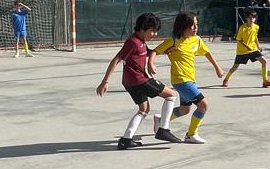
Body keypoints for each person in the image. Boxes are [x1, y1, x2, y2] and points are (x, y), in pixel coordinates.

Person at [96, 12, 181, 148]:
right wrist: (105, 81)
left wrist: (165, 52)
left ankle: (126, 140)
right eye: (152, 31)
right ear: (142, 28)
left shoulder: (140, 41)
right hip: (139, 80)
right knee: (171, 95)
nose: (155, 34)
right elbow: (117, 59)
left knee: (144, 109)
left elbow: (146, 52)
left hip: (131, 82)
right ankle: (163, 129)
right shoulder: (133, 42)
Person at [155, 9, 225, 143]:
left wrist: (218, 68)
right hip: (181, 81)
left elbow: (207, 52)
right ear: (183, 26)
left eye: (197, 24)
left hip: (190, 79)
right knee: (203, 105)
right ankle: (191, 134)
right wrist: (153, 62)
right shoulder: (174, 41)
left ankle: (161, 120)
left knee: (184, 110)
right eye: (192, 25)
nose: (195, 28)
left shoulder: (196, 40)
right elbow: (155, 51)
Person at [223, 9, 270, 90]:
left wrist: (258, 46)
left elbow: (255, 37)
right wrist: (247, 47)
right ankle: (226, 79)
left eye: (253, 18)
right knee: (235, 67)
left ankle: (265, 81)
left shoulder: (256, 27)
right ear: (246, 18)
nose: (252, 19)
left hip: (253, 49)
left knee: (264, 61)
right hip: (242, 51)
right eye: (250, 18)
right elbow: (239, 40)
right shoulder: (242, 28)